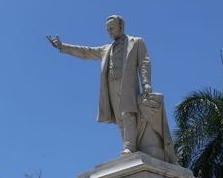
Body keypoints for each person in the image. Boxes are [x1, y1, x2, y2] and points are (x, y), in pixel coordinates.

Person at [48, 15, 176, 162]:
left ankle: (130, 146)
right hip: (111, 85)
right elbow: (86, 52)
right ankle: (127, 146)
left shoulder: (136, 42)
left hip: (127, 84)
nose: (109, 31)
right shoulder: (106, 49)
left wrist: (146, 83)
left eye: (112, 28)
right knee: (120, 119)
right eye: (107, 29)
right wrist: (62, 47)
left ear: (121, 27)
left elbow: (144, 63)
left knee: (128, 113)